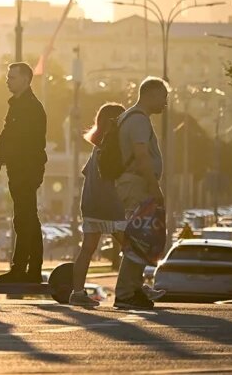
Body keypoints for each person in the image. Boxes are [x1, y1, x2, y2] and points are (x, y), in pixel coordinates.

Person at [0, 62, 47, 284]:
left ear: (26, 80)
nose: (8, 80)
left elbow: (23, 143)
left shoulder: (31, 108)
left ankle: (28, 270)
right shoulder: (16, 105)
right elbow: (7, 136)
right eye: (8, 77)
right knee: (24, 219)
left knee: (26, 219)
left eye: (13, 77)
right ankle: (26, 270)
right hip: (18, 169)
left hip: (28, 169)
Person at [113, 77, 169, 309]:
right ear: (151, 94)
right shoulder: (139, 121)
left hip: (133, 182)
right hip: (137, 184)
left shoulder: (131, 117)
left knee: (139, 239)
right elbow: (141, 156)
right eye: (163, 97)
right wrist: (155, 188)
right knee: (139, 239)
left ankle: (134, 290)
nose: (165, 103)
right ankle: (126, 293)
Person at [68, 103, 127, 307]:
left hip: (91, 205)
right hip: (112, 207)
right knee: (132, 248)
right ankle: (132, 288)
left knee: (87, 249)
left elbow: (86, 173)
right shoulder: (115, 146)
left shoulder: (97, 147)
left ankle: (77, 291)